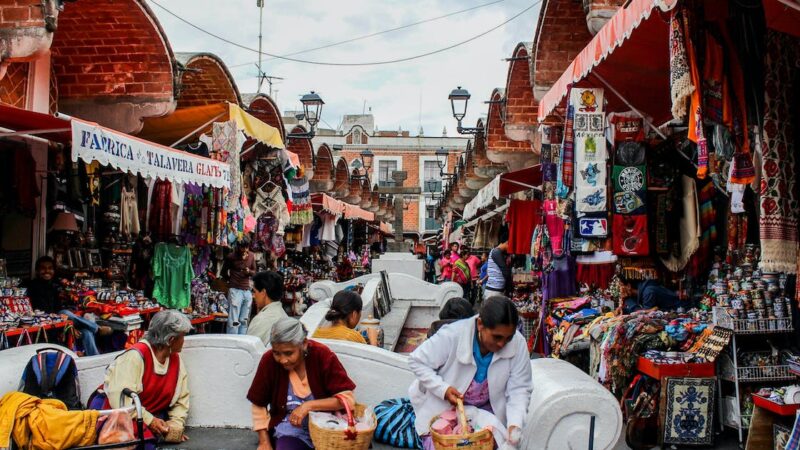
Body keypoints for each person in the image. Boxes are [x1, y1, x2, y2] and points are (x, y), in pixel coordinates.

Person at [409, 296, 531, 449]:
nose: (502, 344)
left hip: (486, 414)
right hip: (443, 411)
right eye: (497, 337)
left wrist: (515, 423)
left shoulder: (517, 343)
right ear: (480, 324)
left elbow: (519, 389)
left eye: (508, 338)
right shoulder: (452, 335)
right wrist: (443, 390)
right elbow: (417, 361)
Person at [247, 318, 357, 450]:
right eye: (277, 353)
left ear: (303, 344)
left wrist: (308, 406)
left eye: (288, 353)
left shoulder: (322, 355)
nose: (282, 360)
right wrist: (264, 442)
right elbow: (258, 404)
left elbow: (347, 400)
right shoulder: (269, 361)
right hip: (290, 431)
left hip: (327, 431)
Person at [92, 310, 192, 445]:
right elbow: (121, 401)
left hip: (146, 414)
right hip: (117, 413)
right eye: (182, 336)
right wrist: (151, 421)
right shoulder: (135, 357)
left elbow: (181, 399)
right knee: (138, 443)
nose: (184, 341)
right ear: (171, 340)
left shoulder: (176, 360)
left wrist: (175, 425)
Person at [24, 256, 111, 356]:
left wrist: (70, 325)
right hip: (47, 325)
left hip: (61, 322)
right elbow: (42, 311)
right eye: (43, 268)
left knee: (86, 331)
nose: (47, 271)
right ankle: (97, 329)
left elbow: (60, 307)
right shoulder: (33, 287)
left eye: (50, 268)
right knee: (64, 313)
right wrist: (65, 321)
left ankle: (94, 360)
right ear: (37, 271)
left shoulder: (55, 285)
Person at [222, 240, 257, 334]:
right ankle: (232, 341)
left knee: (244, 320)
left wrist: (248, 271)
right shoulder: (231, 257)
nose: (244, 250)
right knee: (233, 320)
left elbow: (254, 272)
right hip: (235, 289)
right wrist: (231, 281)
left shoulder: (251, 255)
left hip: (246, 290)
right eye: (242, 247)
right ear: (238, 247)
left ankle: (242, 340)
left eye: (246, 247)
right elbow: (223, 272)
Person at [247, 271, 288, 346]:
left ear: (263, 292)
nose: (253, 296)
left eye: (254, 292)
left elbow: (248, 351)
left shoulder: (262, 319)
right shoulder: (283, 315)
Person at [619, 278, 690, 314]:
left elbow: (647, 314)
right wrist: (624, 309)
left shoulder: (648, 292)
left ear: (628, 286)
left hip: (680, 309)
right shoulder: (643, 291)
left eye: (621, 286)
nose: (620, 290)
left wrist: (628, 301)